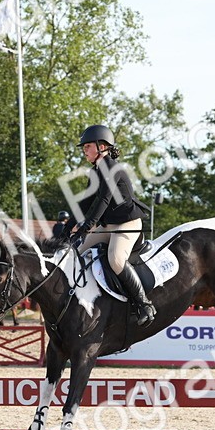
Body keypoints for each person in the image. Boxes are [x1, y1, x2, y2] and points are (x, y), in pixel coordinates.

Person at [63, 124, 155, 326]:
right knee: (74, 252)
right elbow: (86, 202)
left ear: (102, 146)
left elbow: (102, 201)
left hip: (127, 224)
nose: (84, 150)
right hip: (109, 225)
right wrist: (67, 227)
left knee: (115, 259)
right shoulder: (95, 171)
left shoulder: (113, 168)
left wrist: (86, 228)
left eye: (87, 146)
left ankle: (143, 304)